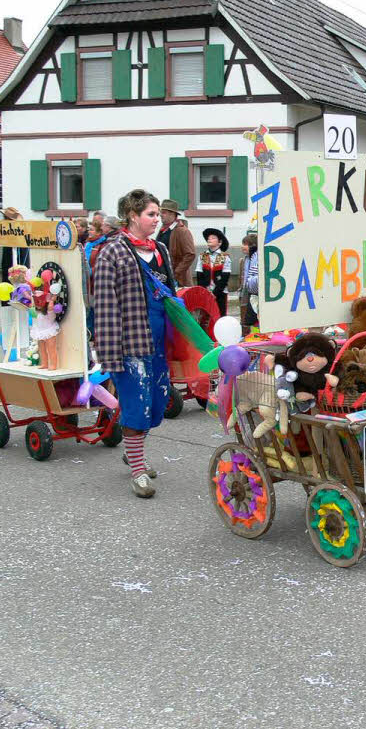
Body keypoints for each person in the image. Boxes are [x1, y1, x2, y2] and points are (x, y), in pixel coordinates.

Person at [93, 189, 177, 499]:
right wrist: (111, 354)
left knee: (156, 404)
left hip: (159, 340)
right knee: (135, 406)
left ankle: (134, 451)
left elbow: (171, 294)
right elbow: (103, 305)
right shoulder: (111, 252)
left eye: (157, 215)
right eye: (151, 214)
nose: (157, 219)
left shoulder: (160, 250)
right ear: (133, 216)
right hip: (129, 342)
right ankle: (138, 470)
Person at [156, 200, 196, 287]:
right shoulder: (163, 230)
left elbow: (190, 254)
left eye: (164, 212)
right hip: (163, 276)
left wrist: (176, 273)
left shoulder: (182, 231)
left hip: (178, 281)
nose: (160, 215)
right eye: (161, 212)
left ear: (172, 214)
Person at [197, 228, 231, 315]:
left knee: (220, 316)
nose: (209, 239)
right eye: (208, 238)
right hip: (205, 292)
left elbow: (225, 278)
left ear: (219, 242)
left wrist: (215, 293)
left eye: (213, 238)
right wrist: (204, 291)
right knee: (205, 317)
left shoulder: (225, 257)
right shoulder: (202, 256)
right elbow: (199, 276)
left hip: (220, 292)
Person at [239, 234, 259, 336]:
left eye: (245, 244)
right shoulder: (246, 258)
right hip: (248, 290)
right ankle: (251, 334)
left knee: (253, 316)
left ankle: (255, 335)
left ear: (253, 245)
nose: (243, 246)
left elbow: (255, 275)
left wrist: (249, 284)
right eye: (243, 244)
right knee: (247, 315)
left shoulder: (257, 257)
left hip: (255, 291)